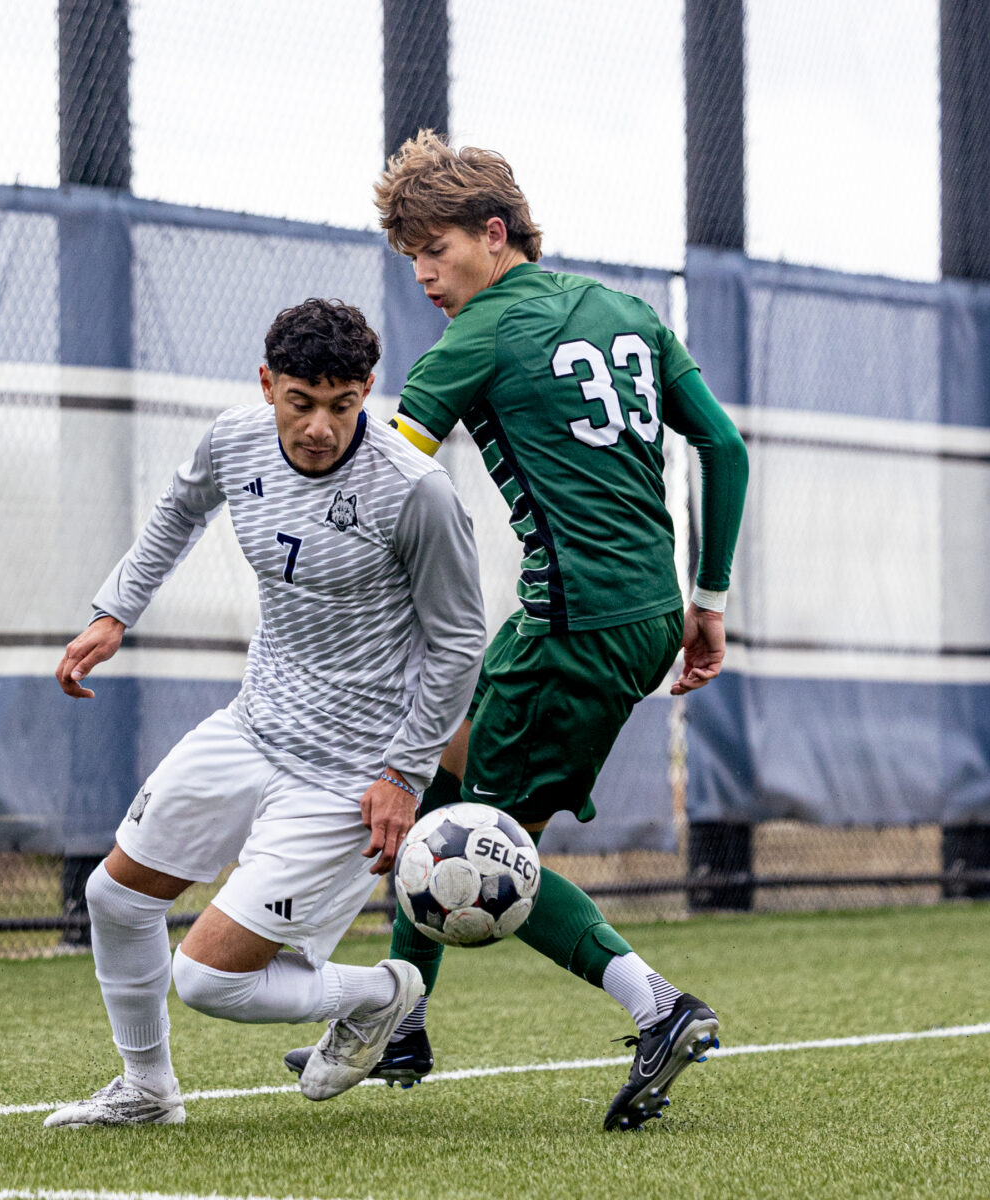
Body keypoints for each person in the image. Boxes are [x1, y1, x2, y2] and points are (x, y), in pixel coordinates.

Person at [284, 132, 750, 1131]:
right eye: (410, 254)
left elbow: (385, 475)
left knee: (479, 845)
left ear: (494, 234)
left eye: (434, 250)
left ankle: (659, 1007)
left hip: (571, 624)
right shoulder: (626, 311)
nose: (422, 276)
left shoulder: (482, 334)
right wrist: (707, 601)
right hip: (637, 612)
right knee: (437, 783)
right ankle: (401, 1020)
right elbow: (722, 443)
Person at [44, 298, 487, 1127]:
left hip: (350, 774)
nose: (320, 426)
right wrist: (114, 613)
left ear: (367, 392)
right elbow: (179, 511)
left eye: (343, 404)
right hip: (254, 727)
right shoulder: (233, 438)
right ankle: (146, 1092)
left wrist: (403, 774)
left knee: (208, 977)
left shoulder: (413, 492)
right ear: (267, 384)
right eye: (301, 401)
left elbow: (461, 644)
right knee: (115, 897)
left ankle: (384, 992)